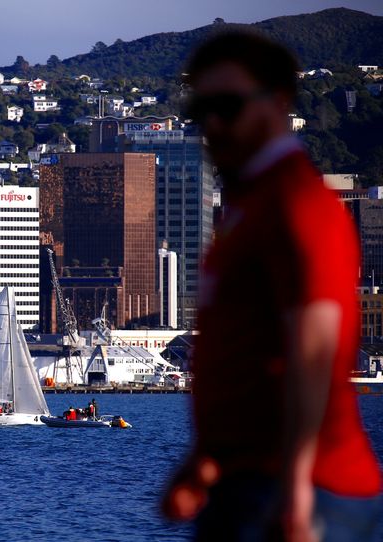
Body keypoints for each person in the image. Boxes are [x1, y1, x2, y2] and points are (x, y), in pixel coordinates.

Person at [161, 32, 381, 540]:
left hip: (305, 490)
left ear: (279, 103)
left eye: (229, 105)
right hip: (246, 482)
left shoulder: (297, 206)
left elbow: (314, 353)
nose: (213, 123)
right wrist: (207, 459)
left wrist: (297, 491)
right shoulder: (247, 209)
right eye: (202, 109)